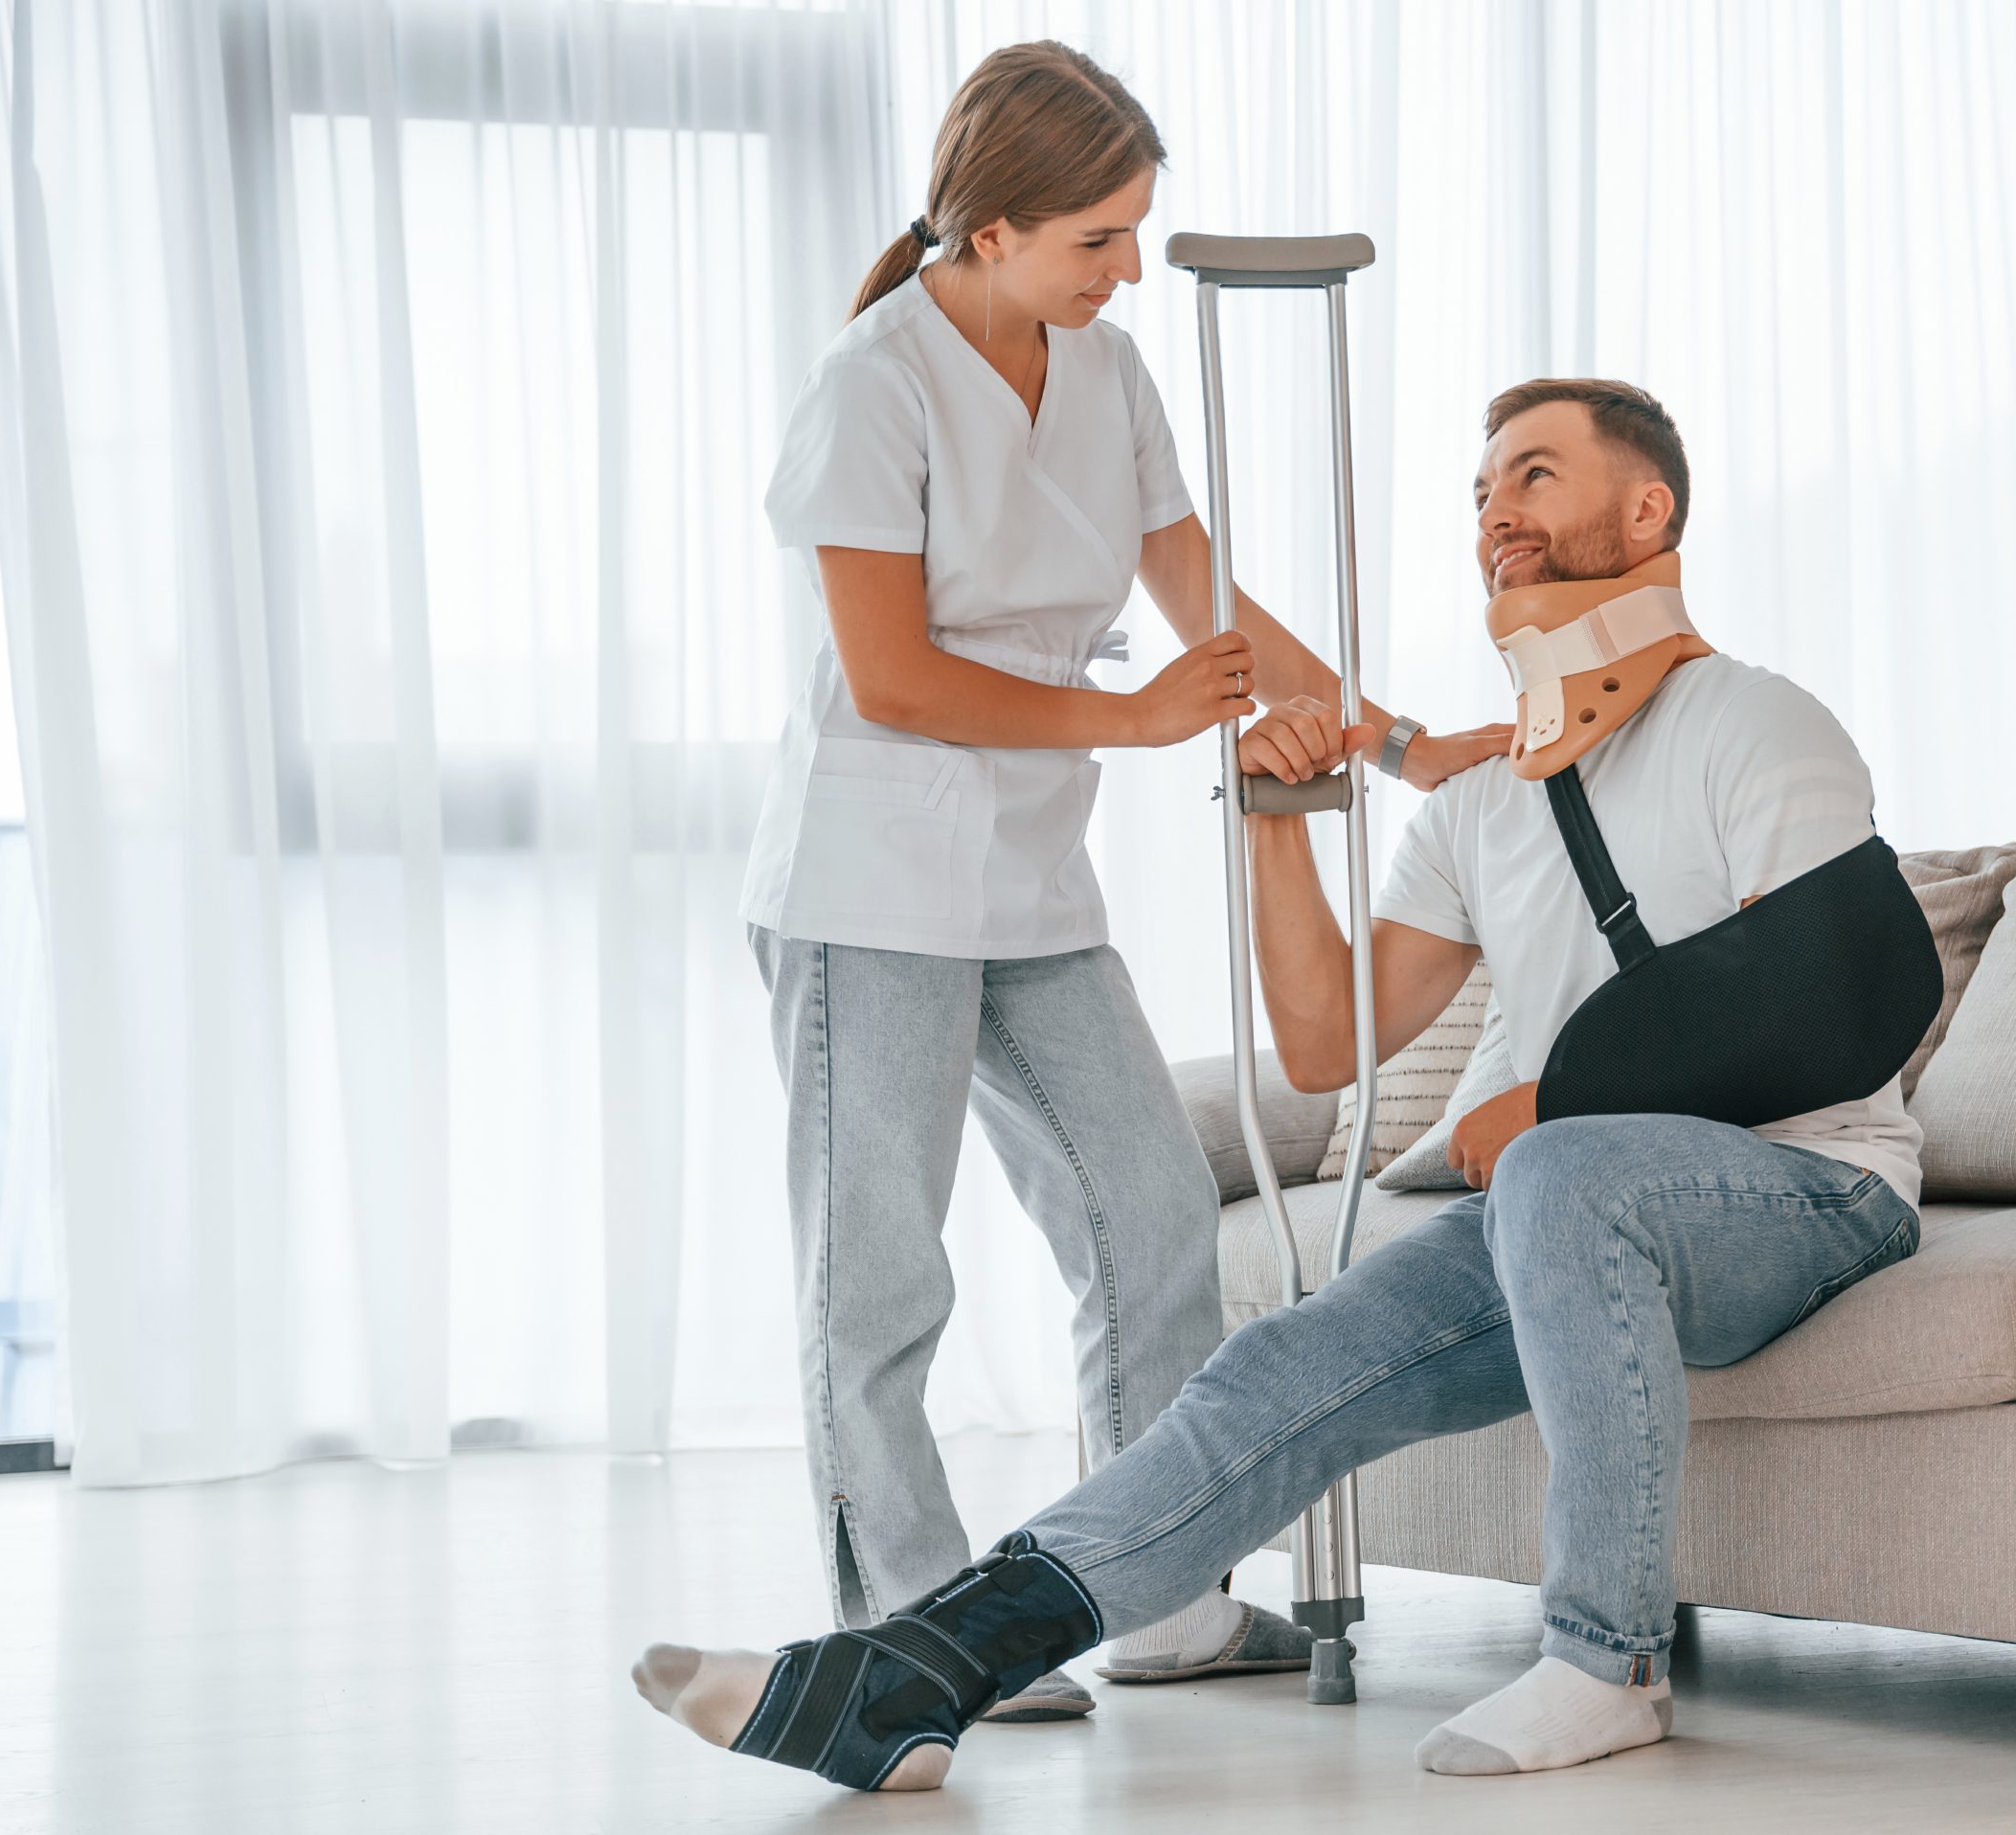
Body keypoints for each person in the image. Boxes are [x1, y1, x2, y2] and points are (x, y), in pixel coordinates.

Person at [649, 377, 1922, 1786]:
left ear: (1648, 511)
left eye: (1538, 477)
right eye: (1482, 488)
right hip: (1570, 1217)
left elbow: (1848, 998)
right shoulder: (1483, 801)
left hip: (1811, 1190)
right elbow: (1328, 1044)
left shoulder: (1755, 722)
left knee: (1558, 1169)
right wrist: (1277, 818)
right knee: (1280, 1363)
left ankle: (1603, 1660)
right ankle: (914, 1673)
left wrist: (1558, 1109)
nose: (1497, 510)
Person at [741, 39, 1506, 1722]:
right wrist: (1133, 716)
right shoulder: (873, 382)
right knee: (880, 1277)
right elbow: (892, 679)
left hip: (1028, 886)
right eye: (1098, 237)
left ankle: (1150, 1601)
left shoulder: (1109, 369)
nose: (1127, 267)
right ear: (991, 227)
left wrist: (1394, 744)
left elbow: (1210, 603)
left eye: (1136, 231)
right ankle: (920, 1629)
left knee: (1152, 1217)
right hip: (869, 882)